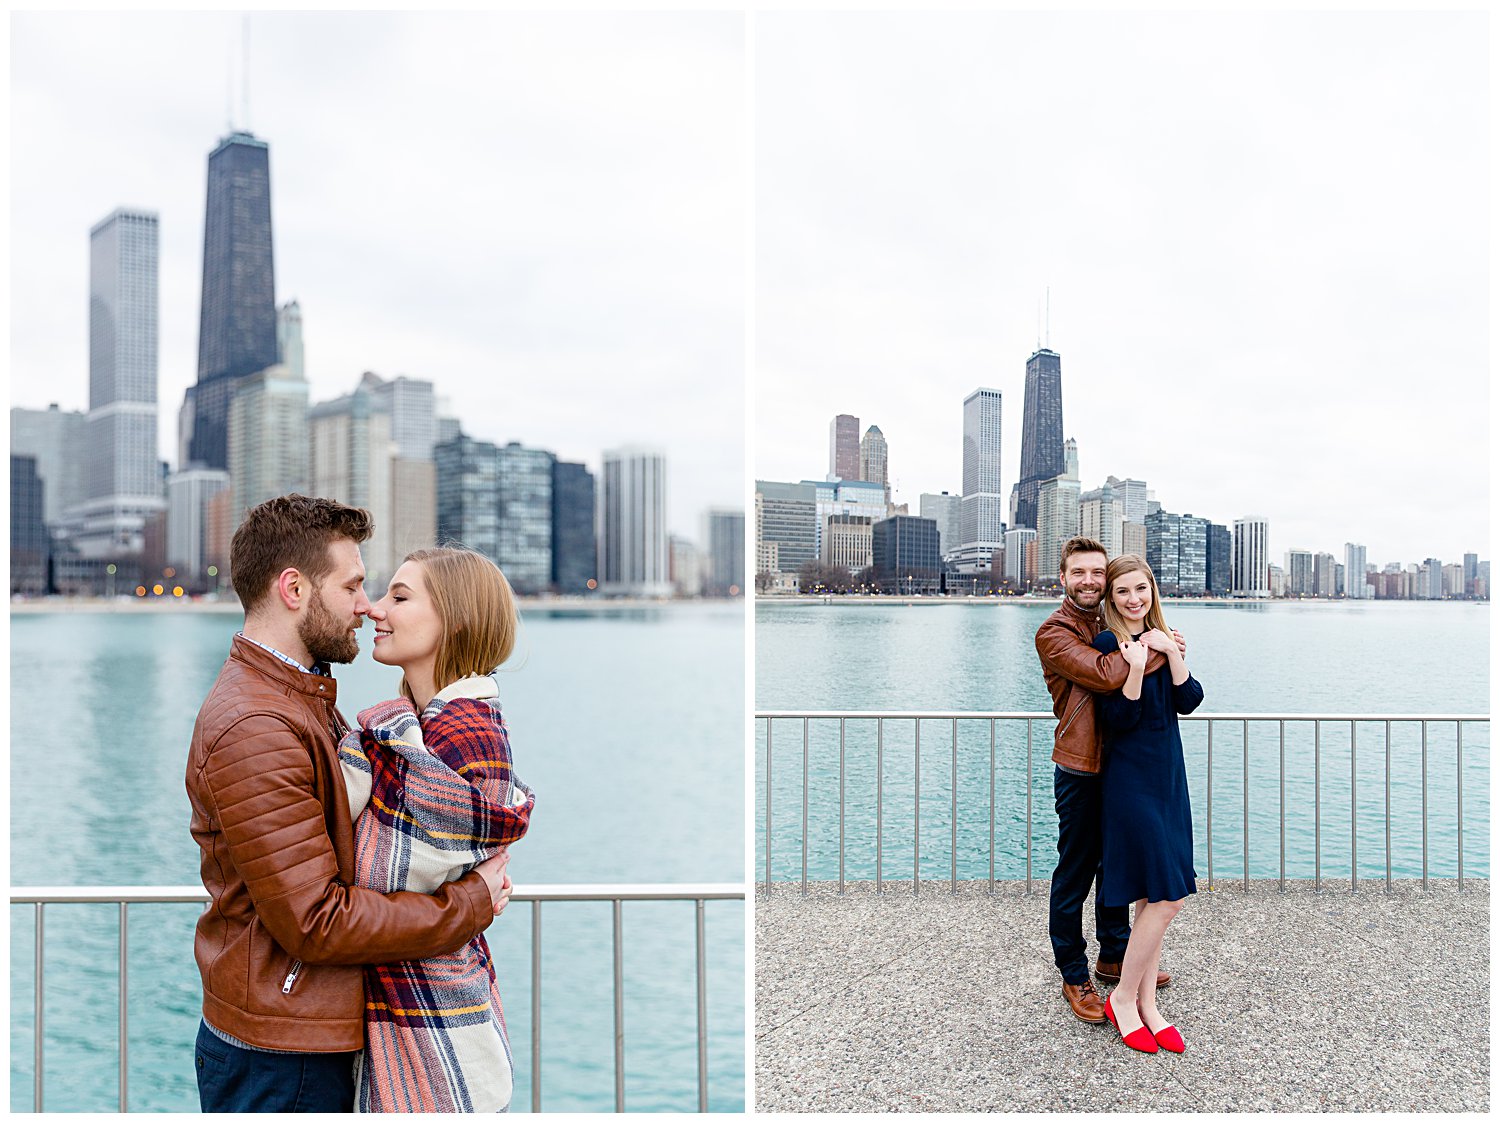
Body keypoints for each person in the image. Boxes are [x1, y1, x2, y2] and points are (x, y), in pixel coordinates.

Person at [186, 495, 512, 1113]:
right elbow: (315, 921)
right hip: (281, 1050)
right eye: (354, 585)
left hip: (299, 1031)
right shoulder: (257, 723)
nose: (367, 606)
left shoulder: (297, 697)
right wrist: (468, 902)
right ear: (294, 589)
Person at [339, 547, 537, 1112]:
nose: (375, 610)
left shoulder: (459, 733)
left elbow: (379, 869)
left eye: (399, 598)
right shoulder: (427, 728)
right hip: (430, 995)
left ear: (455, 617)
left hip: (435, 1009)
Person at [1034, 536, 1178, 1024]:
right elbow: (1102, 672)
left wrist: (1150, 641)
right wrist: (1160, 645)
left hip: (1121, 768)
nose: (1090, 581)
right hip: (1079, 767)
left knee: (1117, 868)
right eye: (1080, 573)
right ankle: (1074, 974)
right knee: (1074, 872)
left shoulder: (1112, 620)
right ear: (1063, 578)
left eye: (1099, 573)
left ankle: (1115, 955)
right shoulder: (1053, 632)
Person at [1091, 554, 1203, 1054]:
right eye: (1123, 592)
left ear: (1152, 589)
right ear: (1111, 599)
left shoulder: (1164, 636)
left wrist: (1172, 654)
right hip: (1130, 778)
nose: (1134, 599)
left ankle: (1147, 1005)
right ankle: (1122, 997)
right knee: (1169, 897)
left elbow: (1190, 700)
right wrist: (1134, 669)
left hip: (1168, 775)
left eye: (1141, 589)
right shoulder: (1106, 644)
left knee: (1152, 894)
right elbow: (1116, 721)